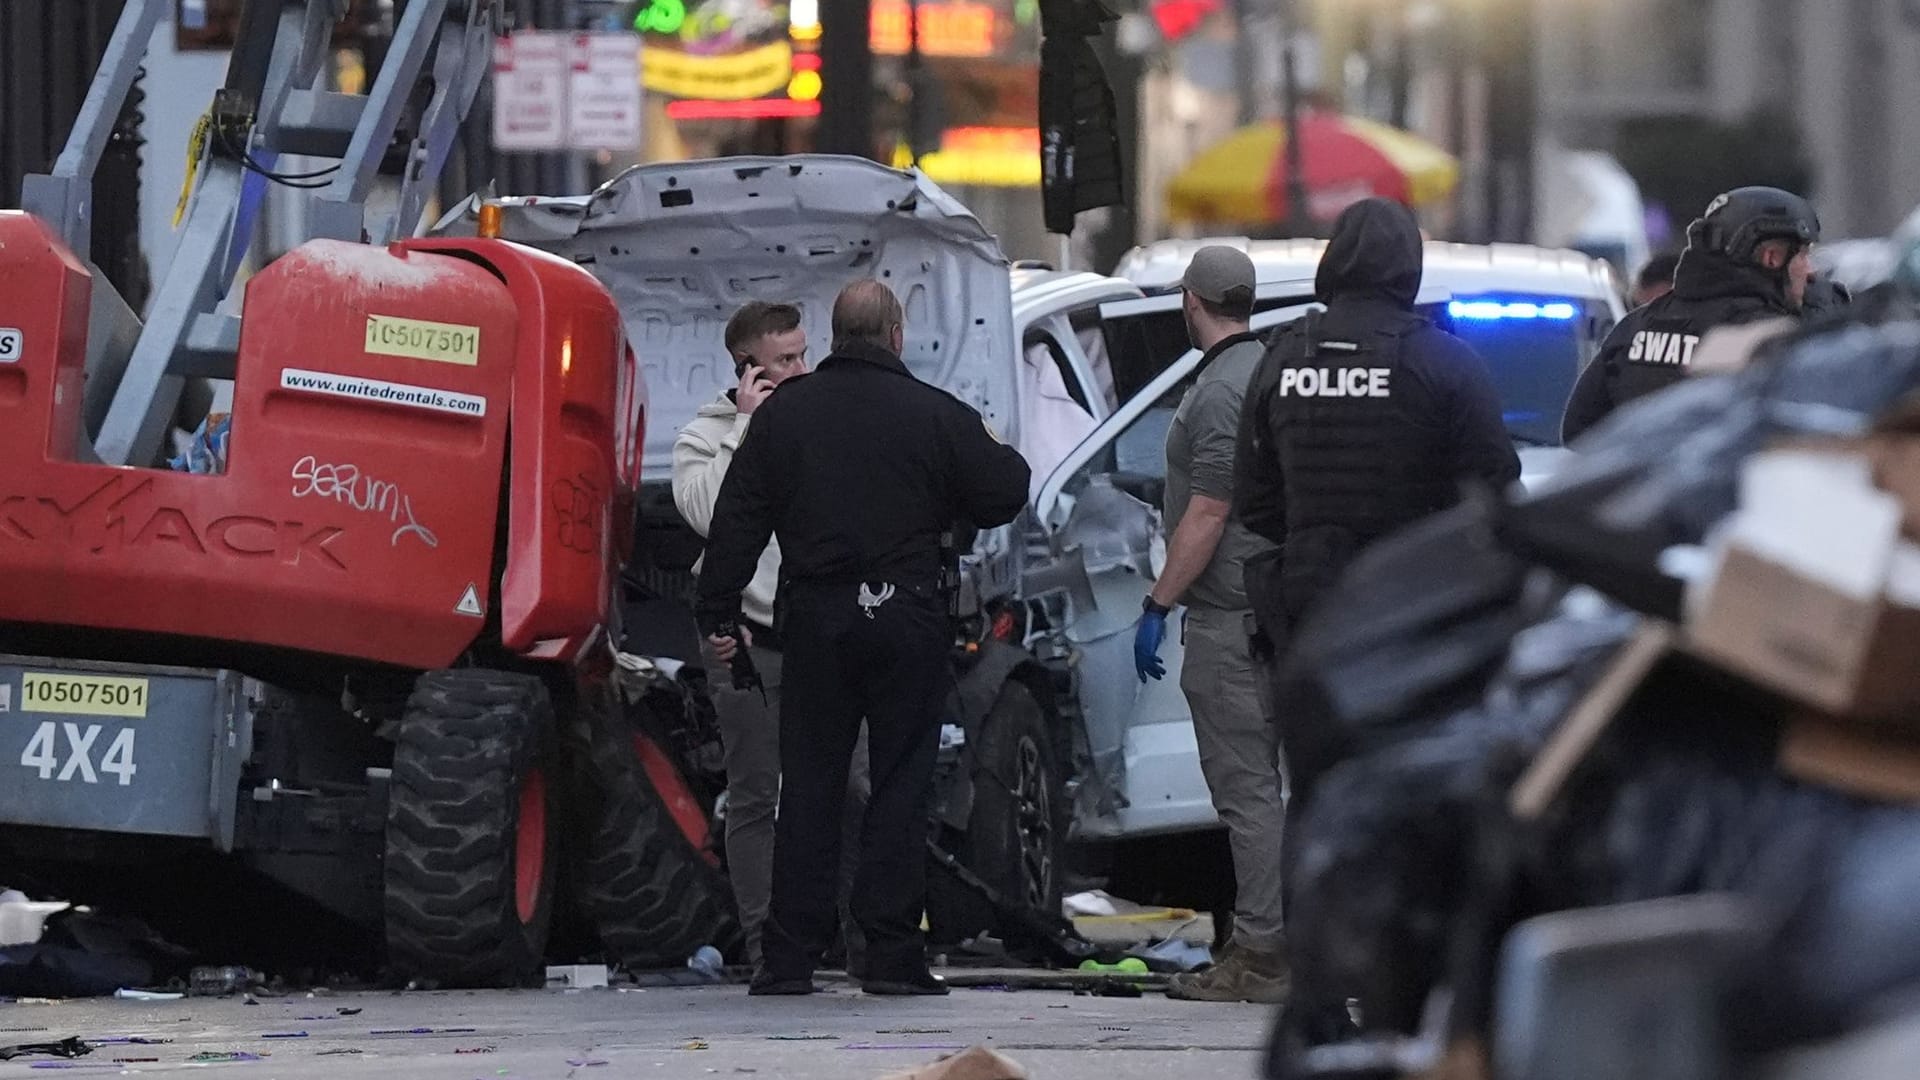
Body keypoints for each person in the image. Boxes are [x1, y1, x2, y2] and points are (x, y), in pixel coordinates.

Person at [696, 280, 1031, 996]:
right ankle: (889, 955)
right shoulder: (936, 414)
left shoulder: (784, 419)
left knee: (809, 788)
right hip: (907, 616)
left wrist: (717, 615)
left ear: (835, 334)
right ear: (897, 335)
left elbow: (736, 523)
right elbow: (1007, 487)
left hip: (816, 620)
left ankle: (789, 958)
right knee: (900, 785)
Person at [1234, 196, 1520, 805]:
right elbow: (1497, 493)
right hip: (1415, 609)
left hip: (1309, 611)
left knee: (1313, 793)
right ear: (1409, 267)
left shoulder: (1283, 355)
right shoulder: (1446, 361)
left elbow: (1253, 501)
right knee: (1416, 791)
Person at [673, 301, 872, 973]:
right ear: (748, 368)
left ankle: (850, 937)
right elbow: (709, 516)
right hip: (747, 641)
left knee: (851, 785)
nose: (802, 368)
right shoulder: (704, 436)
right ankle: (766, 945)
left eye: (803, 354)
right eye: (786, 360)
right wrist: (748, 429)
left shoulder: (824, 423)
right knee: (757, 794)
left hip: (823, 637)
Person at [1130, 246, 1289, 1004]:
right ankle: (1277, 939)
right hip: (1272, 608)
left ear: (1190, 301)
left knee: (1248, 793)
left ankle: (1260, 954)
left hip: (1232, 615)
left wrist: (1158, 603)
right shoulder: (1267, 367)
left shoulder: (1223, 388)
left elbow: (1209, 509)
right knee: (1275, 790)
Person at [1562, 186, 1820, 442]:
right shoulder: (1771, 340)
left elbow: (1578, 433)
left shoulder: (1634, 328)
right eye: (1804, 255)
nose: (1811, 271)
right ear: (1772, 257)